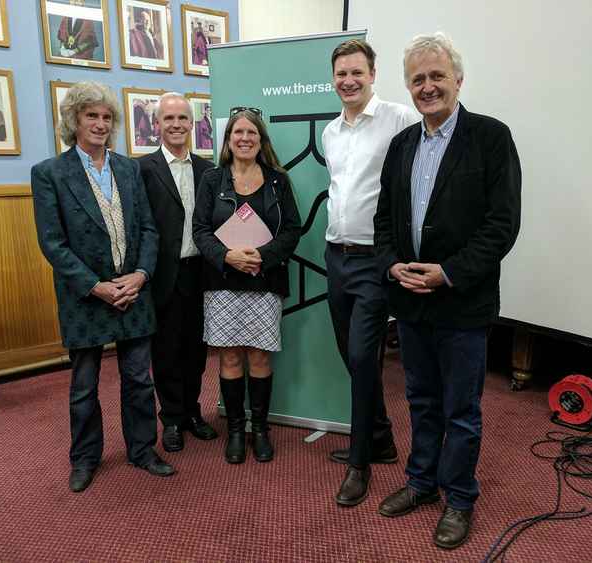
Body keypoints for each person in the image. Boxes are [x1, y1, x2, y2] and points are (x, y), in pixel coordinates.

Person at [374, 33, 521, 549]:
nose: (428, 86)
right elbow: (385, 220)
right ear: (408, 88)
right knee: (419, 398)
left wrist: (448, 272)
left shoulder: (491, 138)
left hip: (462, 300)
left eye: (437, 76)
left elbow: (501, 226)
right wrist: (392, 265)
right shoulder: (401, 145)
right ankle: (421, 482)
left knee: (461, 407)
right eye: (418, 79)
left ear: (458, 80)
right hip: (409, 298)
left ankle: (458, 496)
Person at [31, 81, 174, 493]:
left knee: (139, 380)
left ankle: (144, 450)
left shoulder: (129, 169)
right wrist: (95, 286)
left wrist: (142, 275)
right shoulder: (49, 174)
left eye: (106, 117)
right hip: (85, 298)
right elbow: (52, 244)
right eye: (91, 115)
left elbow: (148, 228)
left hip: (132, 292)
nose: (100, 123)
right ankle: (85, 459)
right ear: (73, 120)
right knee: (83, 386)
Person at [321, 38, 417, 507]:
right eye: (341, 73)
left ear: (373, 73)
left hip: (373, 259)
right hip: (334, 256)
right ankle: (380, 438)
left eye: (356, 72)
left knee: (363, 357)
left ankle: (360, 463)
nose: (349, 81)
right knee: (349, 355)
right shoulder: (330, 131)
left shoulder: (400, 119)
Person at [192, 109, 301, 464]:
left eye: (251, 133)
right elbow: (200, 231)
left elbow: (291, 231)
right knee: (230, 355)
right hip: (223, 283)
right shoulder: (212, 179)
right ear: (228, 140)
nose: (244, 138)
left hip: (264, 280)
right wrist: (227, 257)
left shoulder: (277, 181)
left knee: (259, 355)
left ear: (261, 139)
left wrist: (262, 257)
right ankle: (236, 430)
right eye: (238, 132)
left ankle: (260, 430)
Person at [136, 93, 217, 453]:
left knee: (196, 351)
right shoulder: (142, 169)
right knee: (166, 351)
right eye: (168, 119)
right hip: (163, 275)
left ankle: (191, 413)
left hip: (200, 272)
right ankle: (169, 418)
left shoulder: (208, 170)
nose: (176, 125)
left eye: (183, 118)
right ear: (157, 125)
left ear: (192, 124)